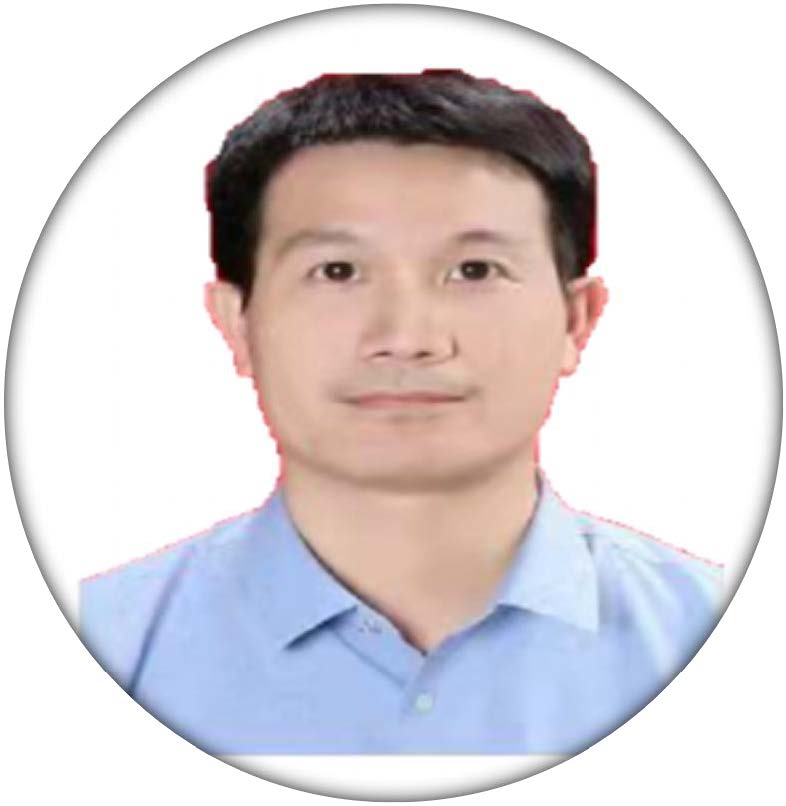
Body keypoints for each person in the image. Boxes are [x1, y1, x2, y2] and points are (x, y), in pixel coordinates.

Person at [80, 70, 723, 755]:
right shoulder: (95, 644)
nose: (408, 337)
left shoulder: (719, 636)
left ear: (575, 320)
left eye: (474, 270)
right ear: (237, 324)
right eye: (338, 271)